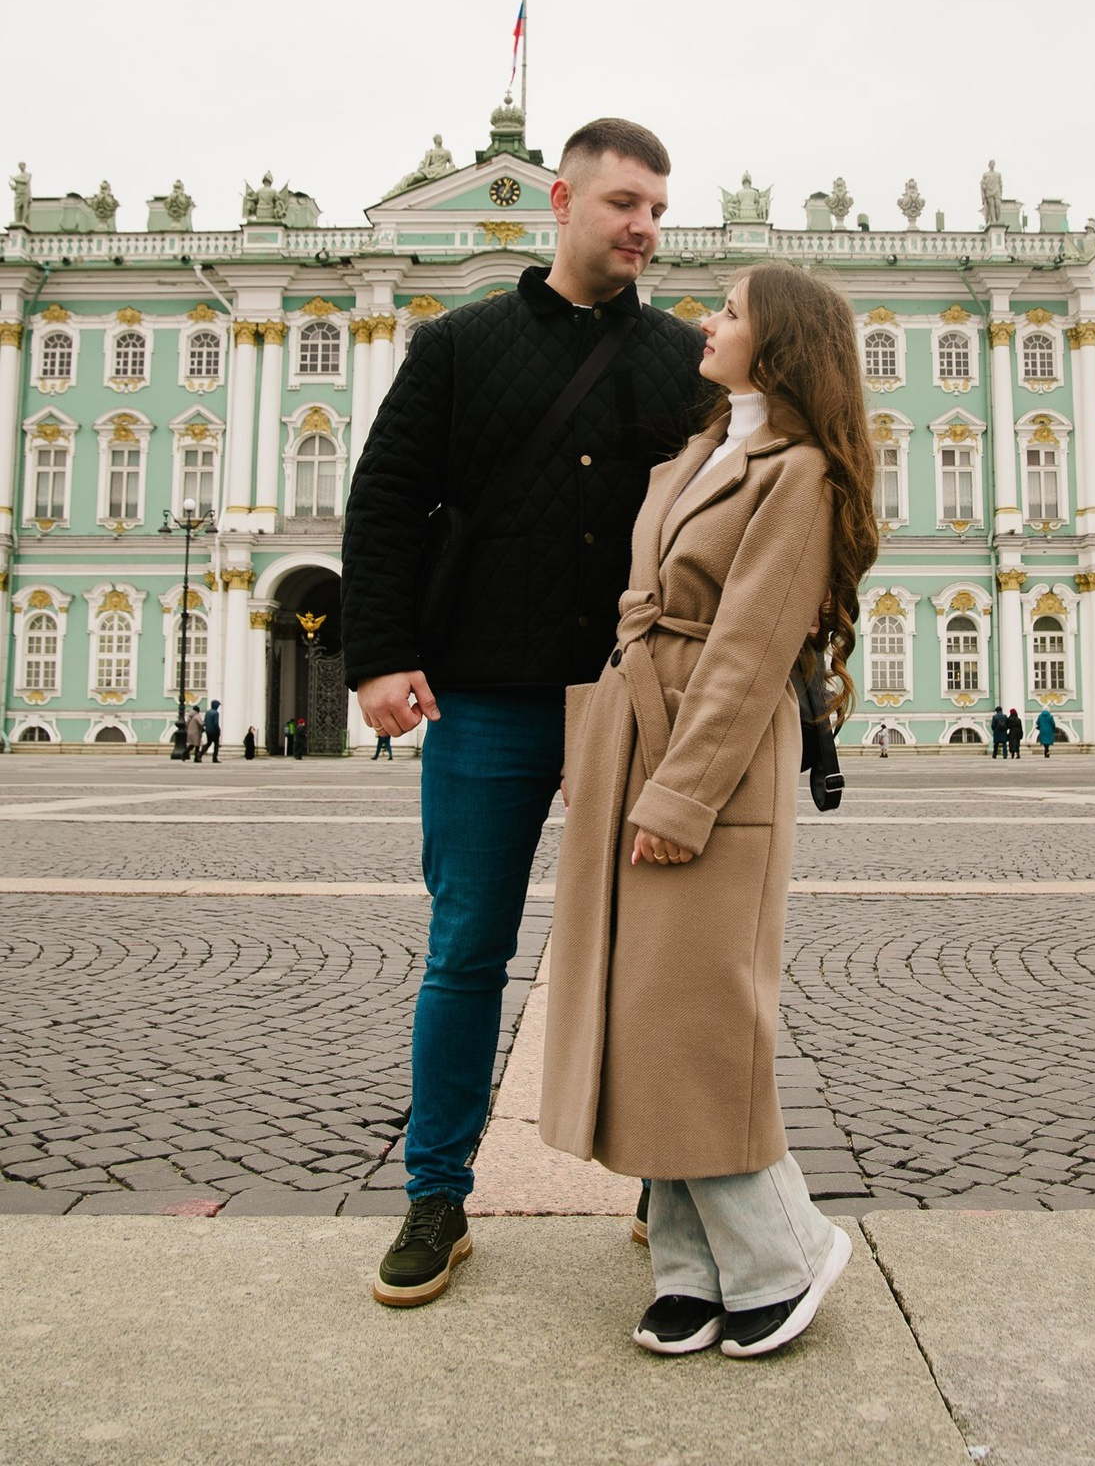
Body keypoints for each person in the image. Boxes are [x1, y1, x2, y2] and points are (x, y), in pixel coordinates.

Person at [341, 119, 706, 1309]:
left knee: (649, 952)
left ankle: (662, 1178)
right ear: (560, 201)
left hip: (631, 700)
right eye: (621, 204)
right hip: (487, 693)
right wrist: (381, 655)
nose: (642, 225)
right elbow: (388, 497)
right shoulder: (457, 346)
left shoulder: (685, 359)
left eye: (655, 206)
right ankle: (435, 1194)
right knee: (464, 951)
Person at [541, 261, 878, 1361]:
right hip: (634, 725)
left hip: (707, 751)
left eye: (727, 311)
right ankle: (691, 1269)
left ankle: (781, 1254)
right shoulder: (702, 453)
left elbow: (750, 644)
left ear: (775, 341)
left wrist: (682, 792)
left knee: (696, 1015)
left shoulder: (801, 472)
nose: (705, 320)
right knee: (644, 1012)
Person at [199, 699, 222, 764]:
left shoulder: (208, 712)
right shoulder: (216, 713)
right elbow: (215, 723)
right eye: (218, 705)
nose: (218, 707)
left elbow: (205, 721)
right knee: (216, 745)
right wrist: (218, 730)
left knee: (208, 743)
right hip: (214, 731)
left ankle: (200, 754)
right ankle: (215, 758)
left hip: (208, 730)